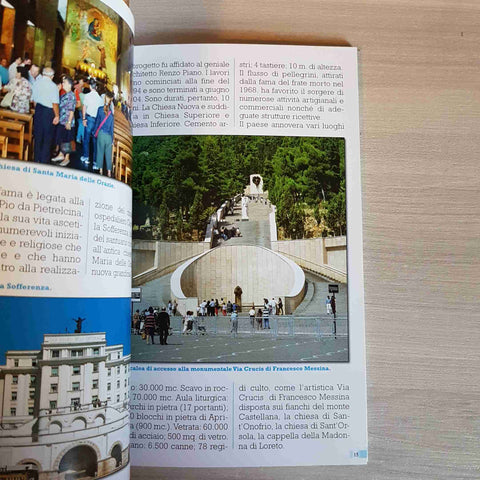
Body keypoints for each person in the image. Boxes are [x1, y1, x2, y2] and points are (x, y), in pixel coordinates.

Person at [32, 67, 59, 164]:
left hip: (39, 109)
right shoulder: (53, 86)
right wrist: (57, 116)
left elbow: (33, 100)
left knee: (38, 135)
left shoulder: (36, 83)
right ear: (51, 76)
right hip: (49, 112)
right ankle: (44, 161)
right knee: (47, 137)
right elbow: (55, 103)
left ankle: (36, 159)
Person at [51, 76, 76, 167]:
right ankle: (61, 155)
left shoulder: (71, 95)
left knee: (67, 140)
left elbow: (71, 110)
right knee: (61, 138)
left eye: (64, 82)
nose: (62, 84)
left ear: (69, 84)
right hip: (62, 120)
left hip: (67, 121)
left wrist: (69, 122)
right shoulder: (64, 94)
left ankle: (67, 158)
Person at [81, 78, 103, 165]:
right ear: (96, 87)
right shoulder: (100, 99)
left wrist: (83, 118)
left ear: (90, 86)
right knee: (95, 141)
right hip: (97, 121)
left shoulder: (87, 96)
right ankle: (95, 162)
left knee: (86, 139)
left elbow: (84, 107)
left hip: (89, 119)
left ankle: (86, 157)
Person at [93, 90, 114, 176]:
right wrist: (112, 139)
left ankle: (101, 171)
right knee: (108, 155)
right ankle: (109, 172)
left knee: (100, 152)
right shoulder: (112, 114)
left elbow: (97, 123)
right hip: (109, 136)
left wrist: (94, 132)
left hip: (101, 134)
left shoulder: (100, 110)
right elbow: (112, 128)